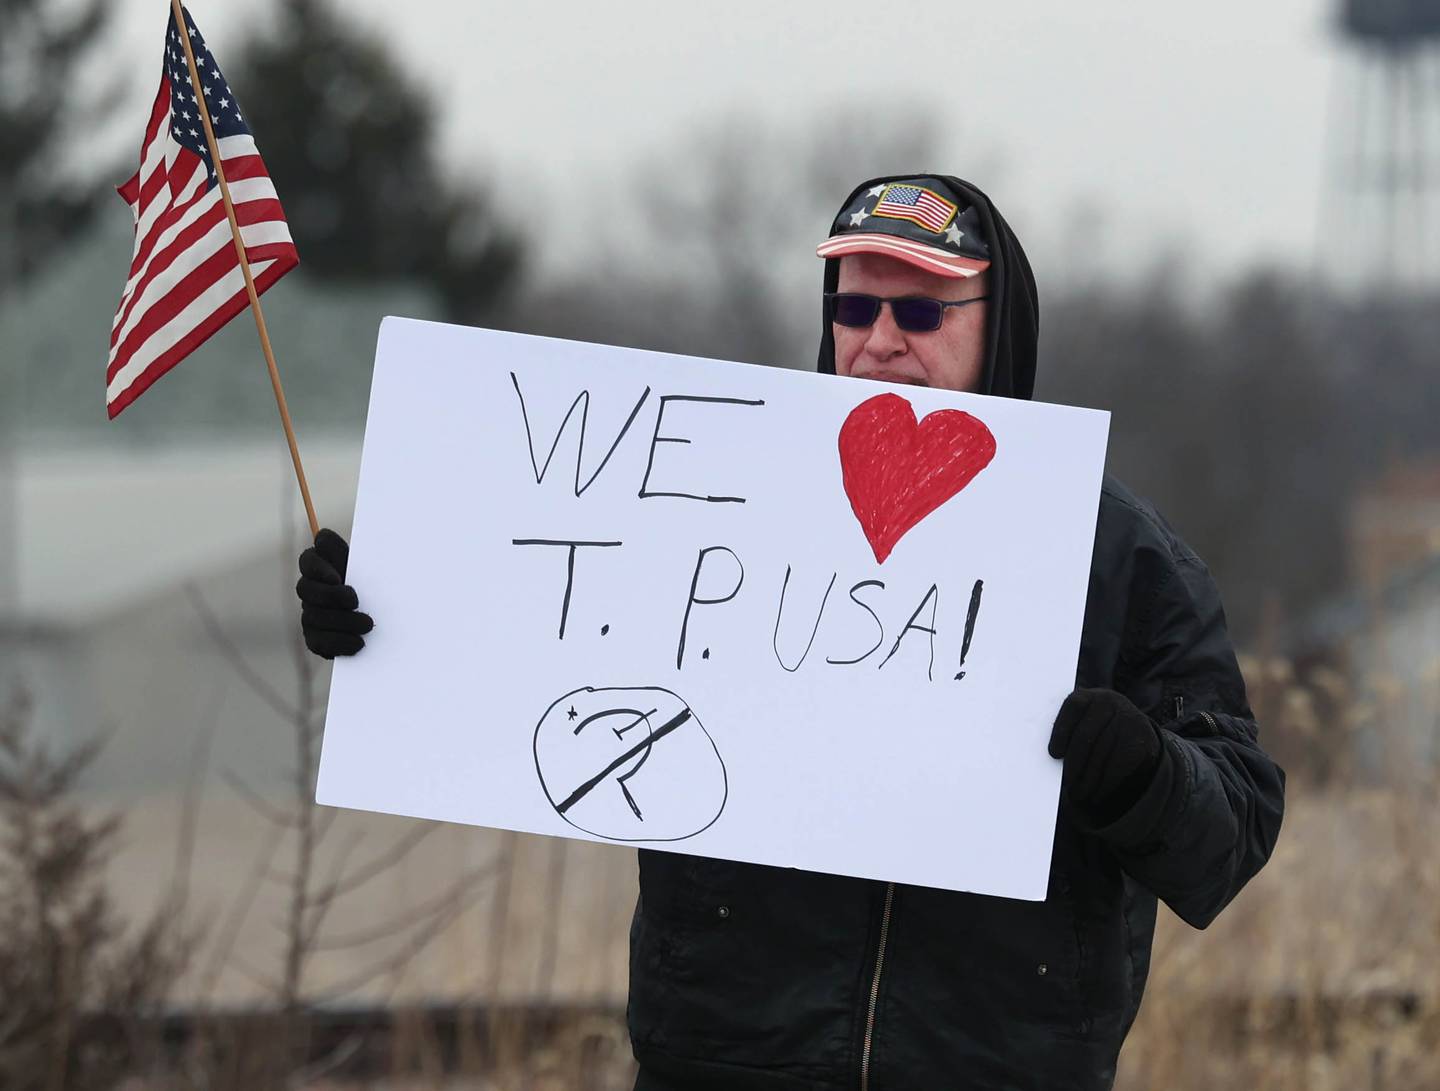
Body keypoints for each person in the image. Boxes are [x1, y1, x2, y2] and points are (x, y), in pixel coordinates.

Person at [296, 174, 1286, 1091]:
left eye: (921, 310)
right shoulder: (703, 499)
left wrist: (1142, 771)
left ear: (999, 327)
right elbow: (535, 637)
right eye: (855, 307)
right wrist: (390, 611)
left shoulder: (1122, 557)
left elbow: (1230, 836)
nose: (881, 338)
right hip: (723, 1058)